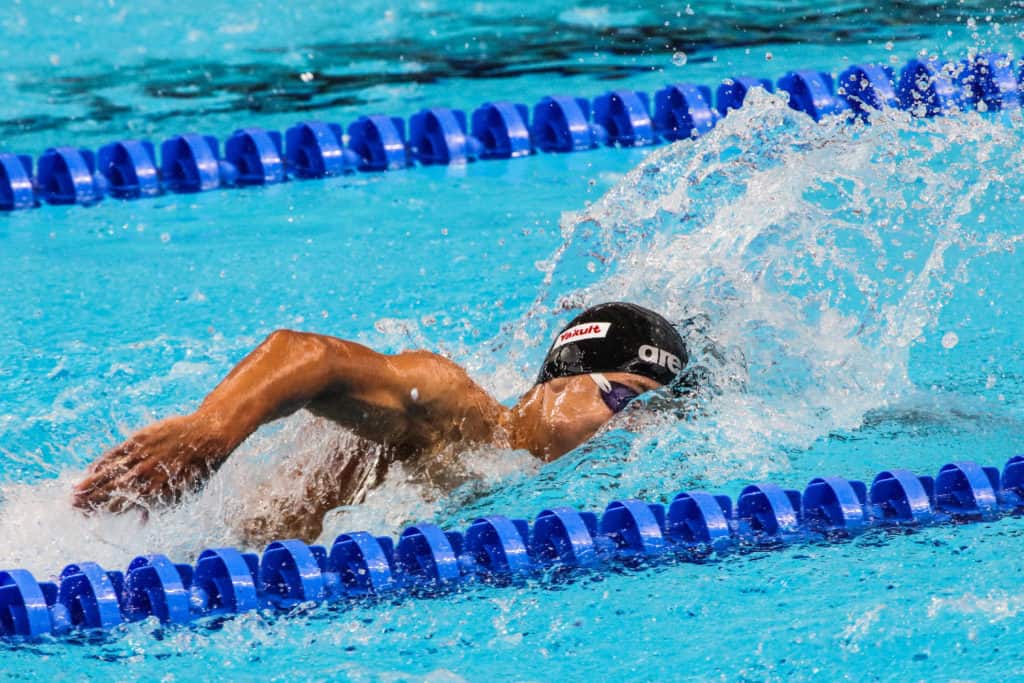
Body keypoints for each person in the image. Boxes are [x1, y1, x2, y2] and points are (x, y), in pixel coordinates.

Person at [72, 302, 690, 542]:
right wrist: (210, 433)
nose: (626, 427)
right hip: (156, 546)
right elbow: (305, 354)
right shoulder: (463, 420)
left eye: (646, 413)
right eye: (622, 397)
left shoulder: (530, 478)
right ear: (561, 379)